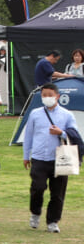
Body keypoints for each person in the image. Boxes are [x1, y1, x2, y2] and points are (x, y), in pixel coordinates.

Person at [21, 83, 79, 233]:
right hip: (39, 157)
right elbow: (28, 135)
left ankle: (53, 221)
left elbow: (75, 135)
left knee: (58, 193)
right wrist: (26, 155)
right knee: (37, 188)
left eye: (50, 95)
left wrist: (62, 133)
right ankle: (35, 212)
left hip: (59, 158)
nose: (47, 98)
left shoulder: (67, 115)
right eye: (44, 95)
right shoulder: (35, 113)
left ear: (57, 96)